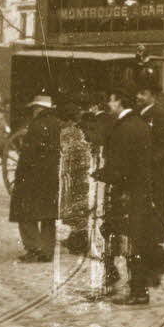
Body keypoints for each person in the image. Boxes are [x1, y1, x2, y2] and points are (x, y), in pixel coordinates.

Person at [94, 85, 158, 304]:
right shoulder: (139, 124)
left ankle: (138, 292)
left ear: (119, 102)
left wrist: (102, 174)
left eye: (111, 100)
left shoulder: (124, 128)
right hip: (139, 192)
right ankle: (123, 283)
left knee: (130, 243)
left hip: (127, 194)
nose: (109, 104)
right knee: (129, 239)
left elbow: (120, 166)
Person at [9, 93, 62, 262]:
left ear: (38, 109)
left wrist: (20, 175)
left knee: (24, 212)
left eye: (34, 108)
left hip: (33, 176)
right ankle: (47, 251)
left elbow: (28, 155)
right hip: (52, 176)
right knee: (48, 216)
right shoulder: (58, 124)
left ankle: (33, 248)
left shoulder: (36, 126)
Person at [135, 78, 164, 281]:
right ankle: (153, 268)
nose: (138, 96)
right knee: (142, 226)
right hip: (140, 178)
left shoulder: (162, 116)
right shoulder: (136, 114)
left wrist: (145, 164)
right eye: (138, 93)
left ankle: (157, 264)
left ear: (153, 96)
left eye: (143, 93)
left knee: (151, 223)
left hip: (155, 179)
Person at [58, 100, 94, 256]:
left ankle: (79, 242)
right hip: (82, 172)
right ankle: (76, 238)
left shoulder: (68, 132)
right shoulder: (79, 130)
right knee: (79, 205)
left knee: (75, 206)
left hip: (74, 173)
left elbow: (67, 152)